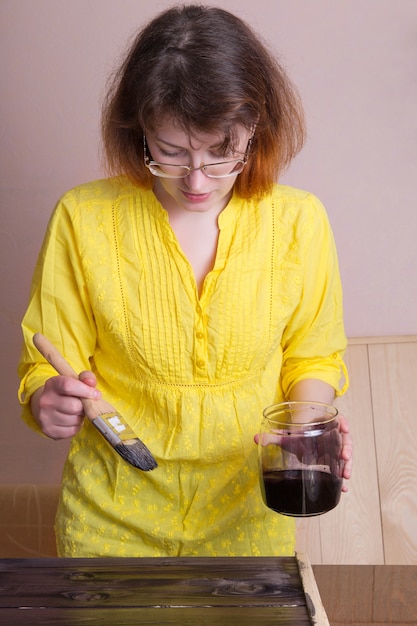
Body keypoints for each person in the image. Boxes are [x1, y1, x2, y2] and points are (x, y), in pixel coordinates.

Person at [18, 4, 353, 558]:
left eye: (223, 153)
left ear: (256, 128)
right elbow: (45, 362)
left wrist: (306, 423)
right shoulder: (83, 217)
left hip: (249, 514)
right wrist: (44, 401)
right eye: (170, 153)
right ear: (139, 131)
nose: (196, 180)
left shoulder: (299, 221)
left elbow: (313, 356)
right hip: (110, 519)